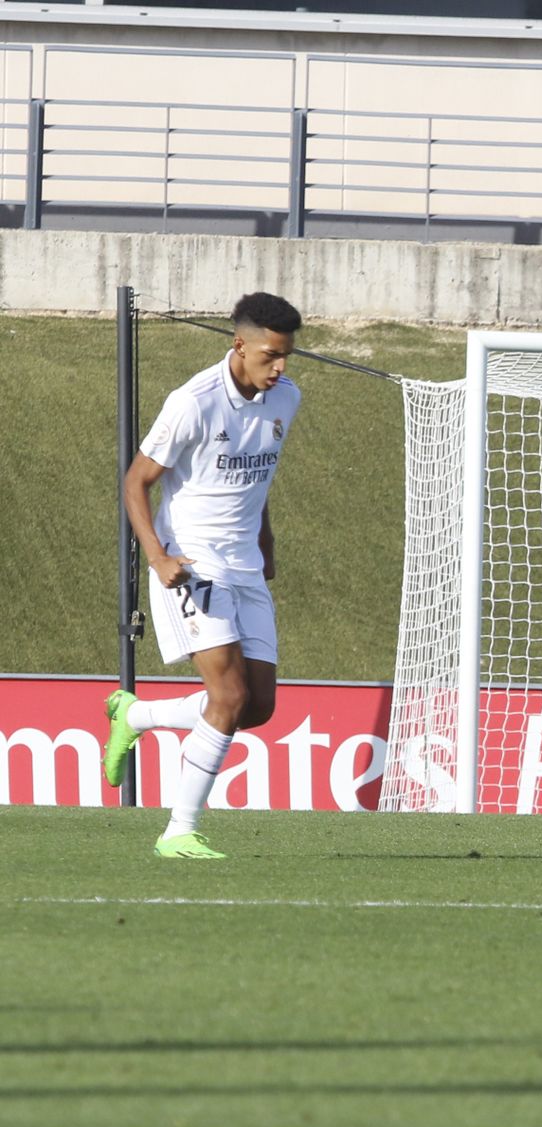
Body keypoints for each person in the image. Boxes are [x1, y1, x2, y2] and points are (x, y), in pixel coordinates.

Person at [101, 292, 304, 858]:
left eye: (286, 356)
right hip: (192, 562)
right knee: (229, 694)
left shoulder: (286, 398)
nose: (279, 367)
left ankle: (135, 714)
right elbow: (136, 482)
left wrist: (265, 542)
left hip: (245, 565)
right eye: (269, 355)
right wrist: (158, 557)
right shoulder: (193, 402)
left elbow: (257, 480)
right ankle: (179, 831)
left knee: (256, 706)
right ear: (239, 345)